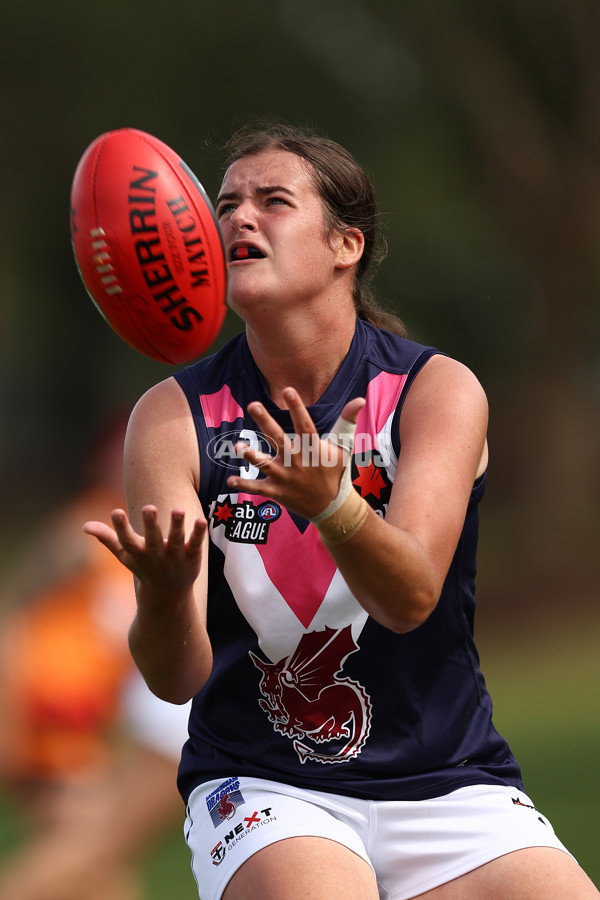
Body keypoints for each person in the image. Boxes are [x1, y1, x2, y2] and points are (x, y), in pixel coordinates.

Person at [83, 122, 599, 900]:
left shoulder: (436, 392)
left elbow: (411, 596)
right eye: (225, 205)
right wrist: (160, 591)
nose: (237, 220)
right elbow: (176, 678)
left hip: (449, 778)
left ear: (345, 245)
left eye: (272, 201)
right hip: (264, 784)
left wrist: (336, 506)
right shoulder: (171, 418)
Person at [0, 416, 193, 900]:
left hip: (98, 724)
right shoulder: (85, 531)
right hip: (52, 719)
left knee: (96, 865)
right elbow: (16, 608)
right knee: (93, 850)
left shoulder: (154, 543)